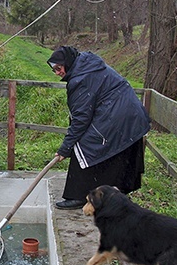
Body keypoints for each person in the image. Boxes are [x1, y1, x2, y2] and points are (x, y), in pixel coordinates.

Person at [47, 46, 151, 209]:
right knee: (109, 148)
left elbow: (81, 118)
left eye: (59, 68)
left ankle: (79, 195)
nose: (57, 73)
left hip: (121, 115)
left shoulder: (80, 78)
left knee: (84, 144)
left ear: (67, 63)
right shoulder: (86, 66)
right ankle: (115, 192)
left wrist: (65, 148)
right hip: (129, 113)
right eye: (54, 70)